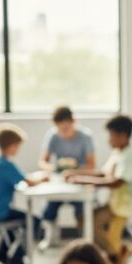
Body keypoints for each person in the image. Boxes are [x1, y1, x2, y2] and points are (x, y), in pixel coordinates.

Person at [65, 115, 132, 264]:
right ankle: (113, 254)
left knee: (90, 223)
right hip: (113, 204)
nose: (109, 140)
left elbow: (116, 182)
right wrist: (76, 174)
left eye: (111, 135)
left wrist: (83, 180)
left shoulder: (130, 156)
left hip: (121, 207)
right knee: (82, 219)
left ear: (122, 136)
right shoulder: (119, 152)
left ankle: (115, 255)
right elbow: (102, 173)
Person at [0, 123, 47, 264]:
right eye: (18, 146)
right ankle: (17, 259)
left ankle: (1, 253)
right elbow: (28, 182)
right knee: (34, 221)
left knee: (15, 222)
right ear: (12, 146)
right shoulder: (6, 165)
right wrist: (43, 178)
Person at [38, 106, 96, 247]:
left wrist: (75, 171)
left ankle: (83, 241)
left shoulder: (85, 137)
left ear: (73, 121)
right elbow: (42, 162)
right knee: (48, 209)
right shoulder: (53, 136)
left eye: (66, 129)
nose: (63, 133)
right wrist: (55, 167)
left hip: (79, 182)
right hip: (59, 182)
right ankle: (51, 237)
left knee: (81, 209)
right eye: (60, 129)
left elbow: (91, 165)